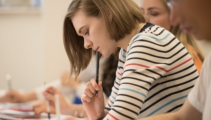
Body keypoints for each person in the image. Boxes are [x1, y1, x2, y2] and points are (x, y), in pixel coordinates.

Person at [45, 0, 199, 120]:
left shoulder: (145, 42)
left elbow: (119, 118)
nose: (86, 44)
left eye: (86, 32)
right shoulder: (127, 50)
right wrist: (98, 113)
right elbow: (116, 113)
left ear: (108, 13)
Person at [33, 48, 120, 116]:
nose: (86, 44)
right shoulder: (106, 57)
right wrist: (67, 109)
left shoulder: (120, 56)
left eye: (86, 32)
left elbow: (104, 106)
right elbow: (70, 80)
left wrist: (75, 85)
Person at [141, 0, 204, 73]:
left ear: (173, 16)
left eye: (154, 13)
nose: (144, 20)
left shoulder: (187, 58)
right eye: (141, 13)